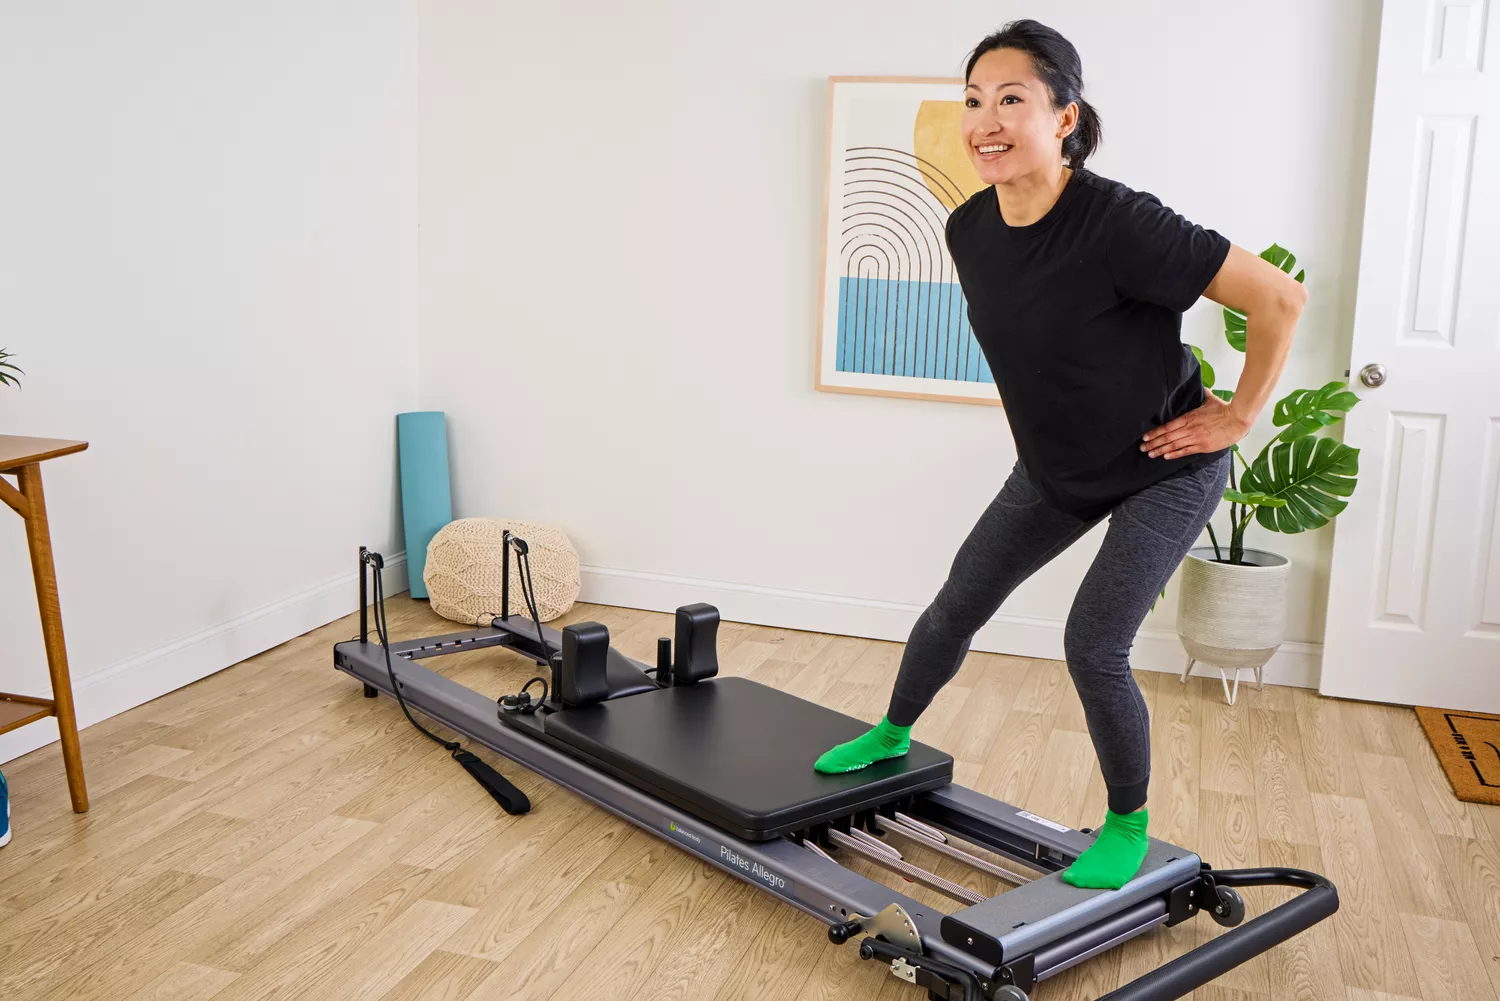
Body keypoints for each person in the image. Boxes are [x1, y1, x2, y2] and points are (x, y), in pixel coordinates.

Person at [813, 19, 1304, 891]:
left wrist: (1235, 416)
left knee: (1093, 643)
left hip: (1165, 465)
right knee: (955, 606)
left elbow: (1278, 297)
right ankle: (893, 732)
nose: (985, 119)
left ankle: (1125, 822)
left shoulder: (1123, 224)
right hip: (1053, 471)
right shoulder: (969, 229)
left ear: (1065, 117)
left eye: (1012, 99)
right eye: (973, 100)